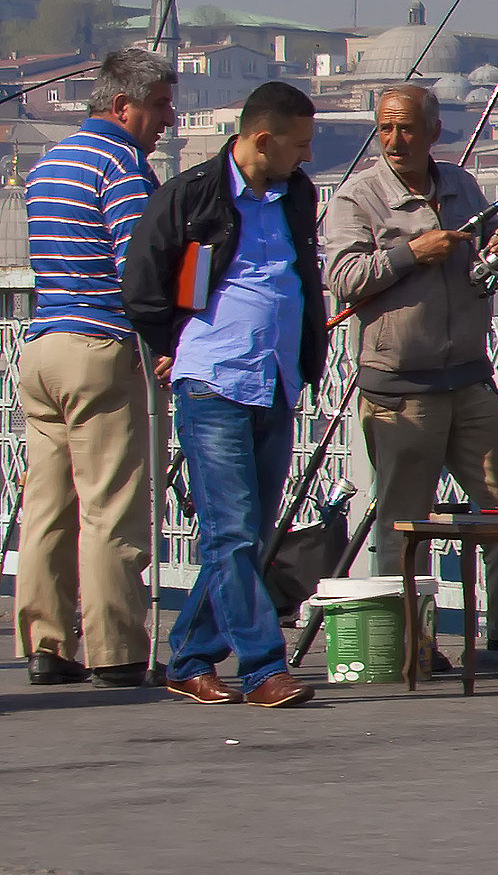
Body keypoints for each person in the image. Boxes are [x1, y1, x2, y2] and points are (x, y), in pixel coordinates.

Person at [121, 80, 326, 707]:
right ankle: (264, 668)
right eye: (298, 144)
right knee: (230, 532)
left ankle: (189, 657)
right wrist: (172, 344)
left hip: (275, 380)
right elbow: (143, 285)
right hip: (213, 381)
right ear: (261, 140)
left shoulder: (296, 194)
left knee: (247, 536)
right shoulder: (190, 195)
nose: (306, 156)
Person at [322, 84, 498, 655]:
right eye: (386, 128)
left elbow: (494, 246)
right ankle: (412, 646)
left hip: (468, 379)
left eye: (406, 128)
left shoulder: (460, 186)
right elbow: (344, 279)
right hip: (400, 391)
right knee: (405, 525)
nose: (395, 139)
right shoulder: (357, 197)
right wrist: (410, 254)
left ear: (432, 132)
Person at [15, 47, 175, 687]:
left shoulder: (49, 164)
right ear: (123, 106)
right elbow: (140, 265)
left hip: (42, 347)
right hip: (102, 347)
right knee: (111, 507)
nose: (168, 120)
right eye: (159, 106)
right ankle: (116, 650)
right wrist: (164, 338)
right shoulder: (121, 167)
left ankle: (46, 645)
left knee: (46, 509)